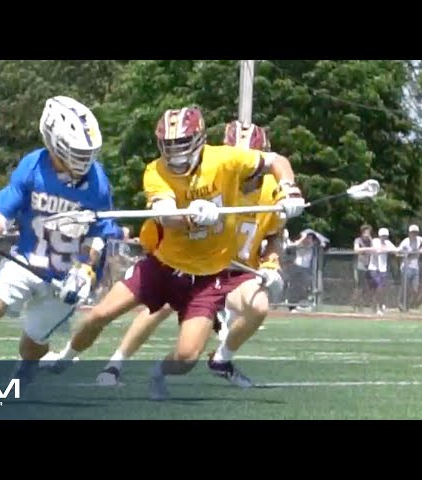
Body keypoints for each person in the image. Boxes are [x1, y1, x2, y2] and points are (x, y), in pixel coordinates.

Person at [48, 107, 305, 400]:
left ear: (199, 139)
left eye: (182, 143)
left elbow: (277, 161)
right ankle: (66, 357)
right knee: (99, 315)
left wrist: (289, 189)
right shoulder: (155, 171)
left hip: (208, 277)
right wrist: (192, 217)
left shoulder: (226, 159)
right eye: (168, 145)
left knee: (186, 357)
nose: (175, 152)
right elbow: (167, 216)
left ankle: (159, 372)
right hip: (164, 265)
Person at [94, 121, 286, 388]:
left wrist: (271, 263)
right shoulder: (214, 176)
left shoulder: (271, 190)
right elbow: (170, 217)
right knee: (160, 305)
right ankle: (116, 363)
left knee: (259, 306)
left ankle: (221, 359)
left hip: (238, 272)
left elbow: (275, 233)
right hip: (200, 262)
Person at [0, 96, 116, 384]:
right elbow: (2, 213)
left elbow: (98, 235)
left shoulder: (97, 182)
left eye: (87, 152)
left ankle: (28, 365)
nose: (84, 160)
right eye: (77, 152)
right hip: (26, 261)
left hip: (67, 275)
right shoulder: (33, 166)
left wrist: (85, 270)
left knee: (32, 343)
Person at [367, 227, 397, 315]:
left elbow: (395, 250)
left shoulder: (388, 243)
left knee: (381, 288)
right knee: (377, 288)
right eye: (382, 236)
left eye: (385, 236)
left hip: (383, 269)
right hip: (373, 268)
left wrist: (387, 249)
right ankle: (376, 306)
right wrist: (383, 249)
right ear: (379, 236)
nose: (384, 237)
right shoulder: (375, 241)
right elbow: (376, 249)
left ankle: (378, 306)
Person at [397, 224, 422, 310]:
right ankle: (401, 304)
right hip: (406, 267)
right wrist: (406, 254)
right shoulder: (405, 242)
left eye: (416, 232)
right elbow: (397, 251)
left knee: (415, 288)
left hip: (415, 267)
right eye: (412, 232)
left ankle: (408, 304)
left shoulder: (419, 240)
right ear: (409, 233)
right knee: (405, 287)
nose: (414, 234)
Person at [352, 224, 374, 312]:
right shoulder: (358, 240)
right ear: (362, 233)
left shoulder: (370, 241)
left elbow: (375, 248)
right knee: (359, 286)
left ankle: (363, 305)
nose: (367, 234)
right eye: (365, 232)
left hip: (368, 266)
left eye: (368, 233)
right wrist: (367, 249)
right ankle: (355, 305)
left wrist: (371, 240)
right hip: (359, 265)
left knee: (367, 287)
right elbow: (356, 249)